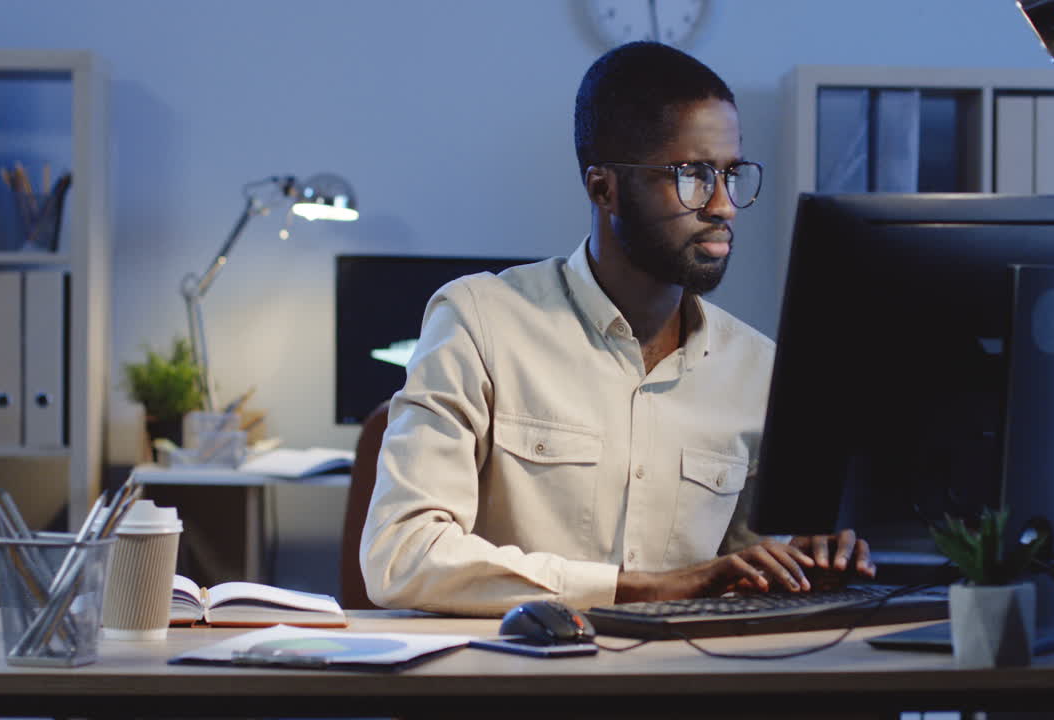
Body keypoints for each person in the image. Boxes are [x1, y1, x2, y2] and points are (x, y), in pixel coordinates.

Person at [360, 41, 873, 616]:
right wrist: (641, 588)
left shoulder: (758, 368)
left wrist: (801, 564)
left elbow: (738, 572)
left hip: (680, 690)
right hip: (519, 687)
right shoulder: (480, 322)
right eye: (693, 175)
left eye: (731, 174)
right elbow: (401, 555)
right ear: (603, 188)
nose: (724, 205)